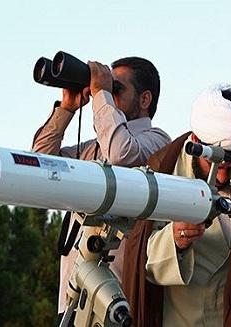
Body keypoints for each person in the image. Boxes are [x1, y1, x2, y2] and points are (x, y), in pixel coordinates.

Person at [121, 83, 231, 326]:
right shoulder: (164, 167)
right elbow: (139, 258)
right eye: (217, 163)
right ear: (196, 140)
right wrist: (176, 239)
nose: (222, 175)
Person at [31, 56, 171, 320]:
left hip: (116, 301)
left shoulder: (157, 141)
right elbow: (38, 165)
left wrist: (100, 94)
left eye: (116, 89)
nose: (107, 95)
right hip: (73, 298)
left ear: (144, 99)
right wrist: (67, 108)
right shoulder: (92, 148)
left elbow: (120, 154)